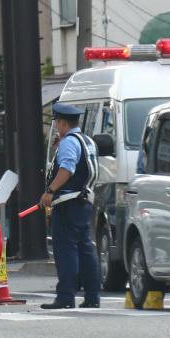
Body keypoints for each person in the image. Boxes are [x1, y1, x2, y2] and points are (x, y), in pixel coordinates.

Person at [40, 103, 101, 309]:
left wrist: (50, 191)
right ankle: (93, 296)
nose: (56, 126)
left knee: (65, 250)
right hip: (85, 202)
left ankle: (66, 296)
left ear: (63, 122)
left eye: (57, 122)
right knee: (86, 250)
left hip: (67, 203)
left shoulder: (69, 142)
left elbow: (67, 168)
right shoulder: (88, 141)